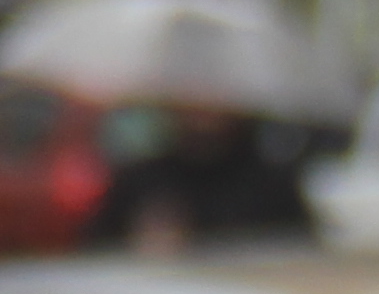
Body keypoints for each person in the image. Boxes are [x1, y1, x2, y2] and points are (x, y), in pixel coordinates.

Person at [80, 103, 314, 255]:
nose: (202, 104)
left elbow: (300, 254)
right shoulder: (141, 180)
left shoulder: (271, 185)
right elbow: (95, 254)